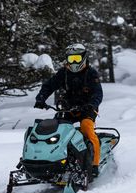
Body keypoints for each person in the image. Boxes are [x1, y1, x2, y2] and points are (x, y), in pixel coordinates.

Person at [34, 43, 103, 177]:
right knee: (54, 130)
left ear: (83, 57)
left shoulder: (91, 73)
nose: (74, 62)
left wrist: (92, 105)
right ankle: (51, 161)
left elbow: (98, 93)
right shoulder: (64, 73)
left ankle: (94, 165)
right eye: (72, 59)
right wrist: (40, 99)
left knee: (87, 128)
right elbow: (49, 85)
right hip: (68, 108)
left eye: (77, 58)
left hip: (87, 108)